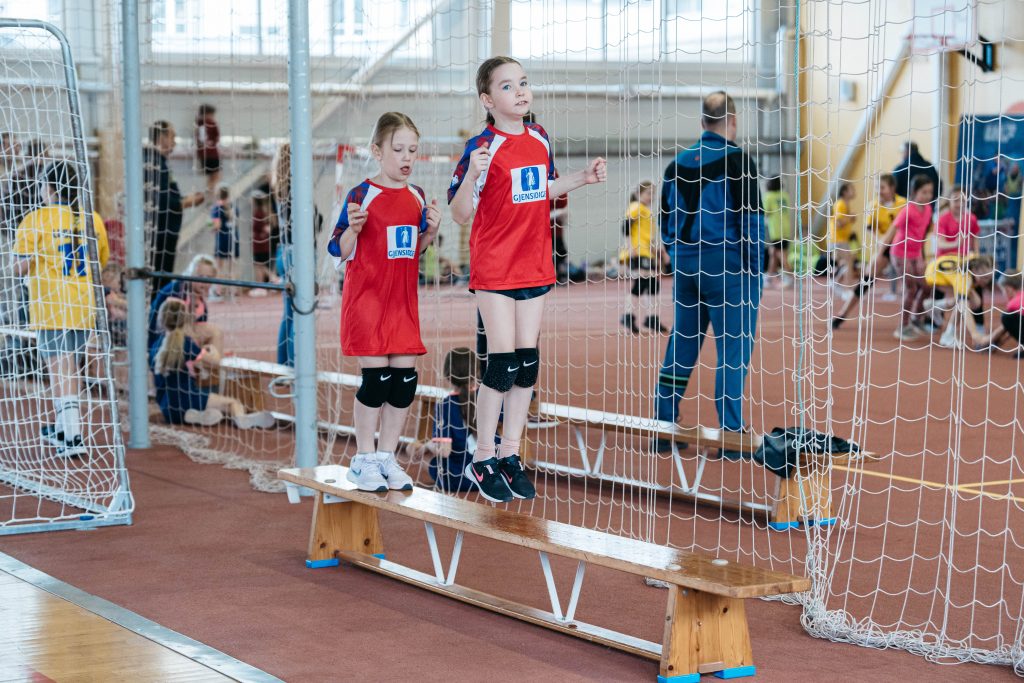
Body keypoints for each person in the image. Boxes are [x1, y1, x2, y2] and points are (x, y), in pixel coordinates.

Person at [448, 56, 606, 502]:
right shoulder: (481, 146)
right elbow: (460, 213)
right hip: (495, 266)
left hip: (534, 263)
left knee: (526, 363)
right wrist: (471, 175)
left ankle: (510, 454)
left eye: (523, 82)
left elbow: (541, 190)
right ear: (487, 100)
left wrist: (582, 178)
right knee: (501, 363)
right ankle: (482, 457)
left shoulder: (538, 137)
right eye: (506, 86)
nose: (519, 91)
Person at [329, 111, 441, 492]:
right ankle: (362, 458)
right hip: (367, 303)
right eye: (398, 149)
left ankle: (386, 457)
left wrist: (431, 232)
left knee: (404, 383)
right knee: (376, 382)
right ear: (377, 151)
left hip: (402, 306)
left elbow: (413, 251)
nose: (407, 157)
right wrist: (353, 229)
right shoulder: (361, 195)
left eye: (412, 150)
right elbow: (338, 249)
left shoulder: (417, 197)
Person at [655, 91, 764, 439]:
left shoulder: (676, 165)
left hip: (686, 267)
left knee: (682, 344)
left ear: (703, 122)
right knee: (733, 349)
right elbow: (752, 222)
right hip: (727, 267)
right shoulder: (739, 160)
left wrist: (678, 256)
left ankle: (663, 423)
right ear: (733, 121)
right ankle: (730, 432)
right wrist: (755, 269)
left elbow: (664, 222)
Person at [13, 160, 109, 457]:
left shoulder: (36, 219)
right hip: (83, 305)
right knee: (71, 367)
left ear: (50, 188)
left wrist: (30, 259)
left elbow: (18, 267)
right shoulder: (92, 218)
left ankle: (72, 436)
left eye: (42, 185)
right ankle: (63, 428)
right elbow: (101, 261)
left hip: (52, 305)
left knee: (59, 371)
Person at [149, 298, 275, 428]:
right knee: (232, 403)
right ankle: (241, 419)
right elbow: (216, 362)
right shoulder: (186, 344)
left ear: (161, 320)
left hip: (166, 409)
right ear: (185, 320)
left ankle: (196, 415)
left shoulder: (154, 346)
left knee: (213, 410)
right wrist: (209, 349)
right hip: (187, 399)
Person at [831, 173, 906, 330]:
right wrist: (880, 240)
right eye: (877, 187)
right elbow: (870, 228)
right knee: (867, 278)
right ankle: (843, 313)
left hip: (903, 247)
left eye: (882, 187)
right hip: (885, 247)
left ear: (892, 188)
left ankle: (922, 318)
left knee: (915, 282)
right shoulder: (873, 206)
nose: (879, 191)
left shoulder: (903, 204)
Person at [144, 121, 205, 296]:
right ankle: (156, 309)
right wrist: (188, 201)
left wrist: (185, 199)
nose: (175, 142)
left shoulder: (160, 162)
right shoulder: (153, 162)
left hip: (164, 231)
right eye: (172, 137)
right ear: (162, 137)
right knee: (159, 278)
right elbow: (162, 201)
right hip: (160, 232)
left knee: (161, 276)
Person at [889, 174, 936, 341]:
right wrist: (878, 254)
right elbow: (892, 231)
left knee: (927, 286)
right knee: (911, 289)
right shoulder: (907, 210)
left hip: (916, 254)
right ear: (914, 192)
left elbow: (922, 234)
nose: (928, 196)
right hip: (900, 253)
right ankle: (902, 327)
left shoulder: (928, 209)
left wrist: (921, 257)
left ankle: (916, 319)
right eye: (924, 192)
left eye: (930, 192)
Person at [619, 180, 667, 334]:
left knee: (653, 285)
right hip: (637, 251)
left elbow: (647, 236)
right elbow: (626, 226)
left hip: (646, 252)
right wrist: (630, 247)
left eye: (653, 193)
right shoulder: (636, 207)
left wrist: (657, 252)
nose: (651, 196)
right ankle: (627, 316)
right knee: (641, 284)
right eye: (648, 193)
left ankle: (651, 319)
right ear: (638, 194)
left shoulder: (647, 211)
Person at [148, 254, 219, 349]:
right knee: (186, 328)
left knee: (216, 333)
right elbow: (171, 325)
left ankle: (212, 357)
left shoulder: (202, 307)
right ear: (191, 274)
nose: (205, 282)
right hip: (160, 342)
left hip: (184, 344)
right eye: (200, 276)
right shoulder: (176, 290)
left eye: (209, 278)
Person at [925, 254, 993, 349]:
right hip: (934, 275)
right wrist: (975, 334)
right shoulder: (964, 279)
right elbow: (964, 307)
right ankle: (948, 335)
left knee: (975, 302)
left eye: (989, 277)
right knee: (963, 302)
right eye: (984, 277)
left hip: (941, 266)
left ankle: (935, 306)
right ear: (974, 270)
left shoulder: (976, 262)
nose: (987, 281)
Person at [970, 270, 1024, 354]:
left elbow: (1005, 327)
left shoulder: (1013, 304)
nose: (1003, 293)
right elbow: (1011, 329)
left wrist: (986, 341)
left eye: (1002, 290)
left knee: (1006, 317)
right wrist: (996, 343)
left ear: (1008, 289)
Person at [828, 181, 858, 293]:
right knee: (849, 262)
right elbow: (839, 223)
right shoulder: (840, 204)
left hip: (842, 238)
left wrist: (850, 218)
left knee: (845, 262)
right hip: (838, 239)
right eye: (851, 189)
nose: (854, 191)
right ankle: (848, 289)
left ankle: (835, 282)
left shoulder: (845, 204)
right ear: (844, 192)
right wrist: (850, 217)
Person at [892, 141, 940, 212]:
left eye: (902, 152)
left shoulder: (900, 169)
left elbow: (893, 190)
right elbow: (939, 187)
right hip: (927, 209)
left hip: (904, 209)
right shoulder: (930, 167)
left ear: (907, 152)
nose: (901, 155)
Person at [762, 176, 792, 285]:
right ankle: (769, 277)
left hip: (776, 230)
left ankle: (790, 276)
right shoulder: (785, 195)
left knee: (780, 253)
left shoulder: (769, 196)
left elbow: (765, 212)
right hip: (786, 228)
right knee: (773, 253)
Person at [210, 186, 237, 300]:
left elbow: (217, 225)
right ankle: (233, 290)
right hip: (233, 238)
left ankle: (218, 291)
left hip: (222, 239)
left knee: (219, 267)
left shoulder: (217, 208)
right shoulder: (233, 206)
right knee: (232, 267)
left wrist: (211, 228)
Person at [194, 104, 221, 195]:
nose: (213, 116)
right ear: (208, 114)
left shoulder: (198, 123)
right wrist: (210, 142)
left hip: (203, 154)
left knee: (211, 177)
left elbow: (199, 141)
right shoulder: (211, 123)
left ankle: (208, 194)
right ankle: (208, 195)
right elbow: (217, 138)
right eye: (212, 114)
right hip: (211, 154)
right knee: (216, 176)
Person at [250, 190, 274, 291]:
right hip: (263, 243)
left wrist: (260, 234)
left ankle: (273, 279)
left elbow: (265, 228)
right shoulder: (264, 212)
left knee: (259, 265)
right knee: (259, 265)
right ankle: (261, 286)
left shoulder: (258, 214)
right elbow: (268, 228)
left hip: (259, 243)